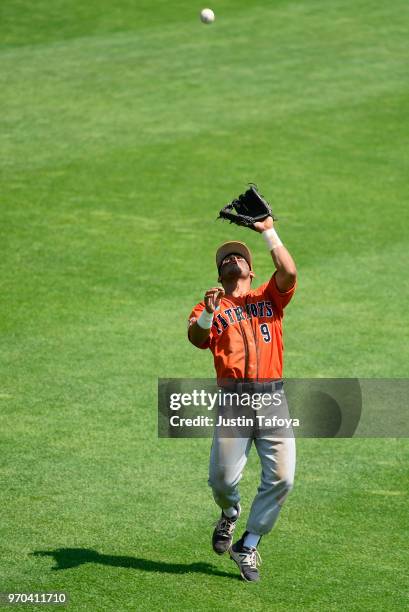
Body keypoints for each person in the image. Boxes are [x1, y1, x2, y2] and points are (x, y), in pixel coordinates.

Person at [187, 215, 297, 582]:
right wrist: (210, 312)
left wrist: (268, 231)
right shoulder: (210, 308)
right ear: (220, 276)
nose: (232, 260)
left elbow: (289, 272)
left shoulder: (269, 297)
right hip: (233, 403)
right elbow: (197, 338)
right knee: (221, 481)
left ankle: (248, 544)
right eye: (225, 260)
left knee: (282, 477)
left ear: (251, 271)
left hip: (273, 401)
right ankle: (230, 514)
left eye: (238, 257)